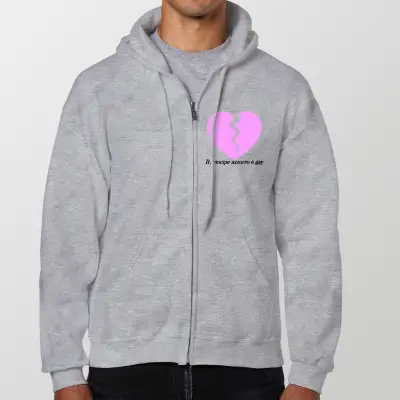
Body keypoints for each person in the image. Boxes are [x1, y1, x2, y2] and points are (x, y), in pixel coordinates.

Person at [39, 1, 342, 399]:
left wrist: (308, 373)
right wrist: (65, 370)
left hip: (247, 371)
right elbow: (68, 233)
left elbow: (311, 238)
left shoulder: (283, 90)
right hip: (124, 368)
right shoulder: (100, 89)